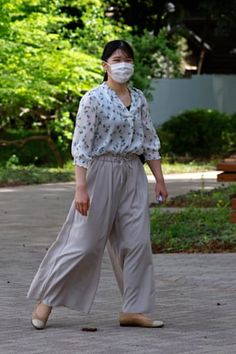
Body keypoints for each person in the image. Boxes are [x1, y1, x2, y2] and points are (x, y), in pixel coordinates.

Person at [27, 39, 168, 330]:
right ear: (104, 65)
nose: (123, 64)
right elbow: (81, 145)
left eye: (127, 59)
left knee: (137, 243)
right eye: (116, 60)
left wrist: (160, 180)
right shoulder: (93, 99)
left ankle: (134, 310)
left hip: (132, 171)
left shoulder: (139, 98)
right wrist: (81, 187)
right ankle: (46, 301)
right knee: (85, 243)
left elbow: (150, 141)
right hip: (100, 172)